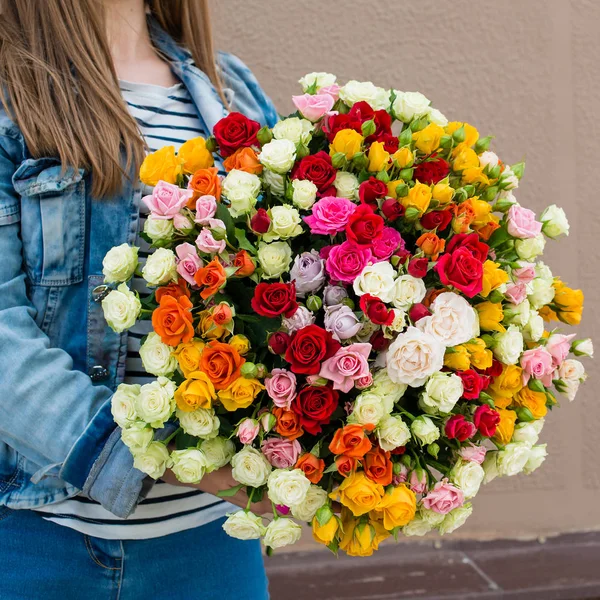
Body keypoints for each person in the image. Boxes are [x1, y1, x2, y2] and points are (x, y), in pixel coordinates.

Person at [0, 1, 278, 598]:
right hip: (35, 541)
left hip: (213, 546)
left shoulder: (234, 94)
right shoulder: (11, 94)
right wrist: (157, 460)